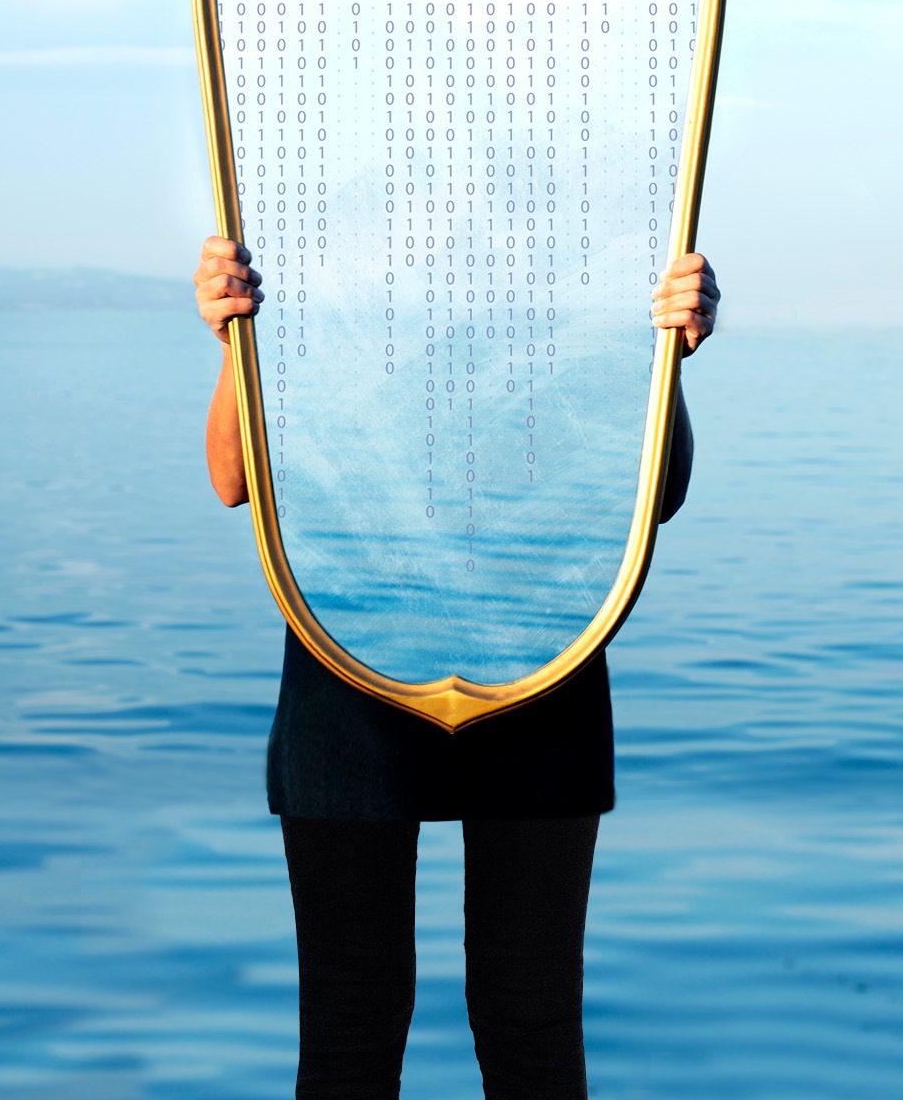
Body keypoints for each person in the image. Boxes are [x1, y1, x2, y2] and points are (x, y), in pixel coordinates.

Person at [197, 236, 719, 1099]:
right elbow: (231, 479)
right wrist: (232, 341)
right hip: (348, 653)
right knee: (355, 1022)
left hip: (543, 655)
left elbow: (658, 493)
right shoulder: (321, 269)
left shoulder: (575, 275)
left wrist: (666, 352)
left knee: (527, 1020)